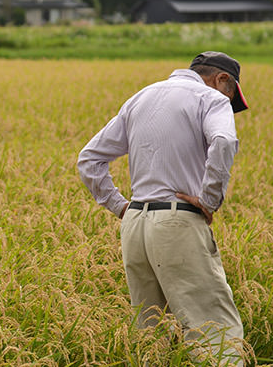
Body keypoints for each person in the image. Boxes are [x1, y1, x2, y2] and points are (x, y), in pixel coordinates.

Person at [77, 51, 249, 365]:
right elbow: (224, 141)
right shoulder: (211, 99)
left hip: (135, 226)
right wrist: (209, 200)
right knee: (214, 331)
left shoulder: (140, 98)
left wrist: (120, 207)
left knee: (151, 337)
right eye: (231, 94)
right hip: (177, 223)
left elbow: (89, 159)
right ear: (222, 79)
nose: (229, 102)